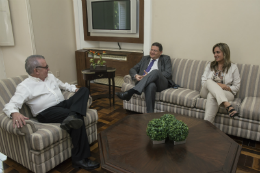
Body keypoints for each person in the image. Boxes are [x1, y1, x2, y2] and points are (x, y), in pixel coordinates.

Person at [3, 55, 100, 170]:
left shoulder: (51, 77)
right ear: (36, 71)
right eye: (46, 67)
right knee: (77, 120)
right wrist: (14, 113)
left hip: (62, 105)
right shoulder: (25, 86)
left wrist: (75, 90)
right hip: (46, 112)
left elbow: (65, 86)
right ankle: (79, 159)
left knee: (84, 90)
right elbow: (10, 105)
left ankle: (73, 116)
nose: (48, 69)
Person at [116, 42, 177, 113]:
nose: (152, 52)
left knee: (155, 71)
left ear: (160, 52)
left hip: (161, 83)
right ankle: (150, 115)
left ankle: (131, 92)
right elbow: (132, 69)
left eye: (155, 50)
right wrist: (136, 75)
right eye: (151, 50)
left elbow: (168, 73)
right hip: (147, 83)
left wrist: (150, 75)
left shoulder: (165, 58)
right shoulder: (145, 58)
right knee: (151, 86)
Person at [201, 43, 240, 123]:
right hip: (206, 90)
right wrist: (217, 85)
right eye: (214, 53)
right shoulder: (210, 65)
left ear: (225, 53)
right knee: (208, 81)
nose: (215, 55)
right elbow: (204, 81)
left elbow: (236, 87)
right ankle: (227, 104)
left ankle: (206, 127)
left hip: (226, 92)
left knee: (212, 95)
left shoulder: (233, 67)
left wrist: (226, 87)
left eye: (218, 52)